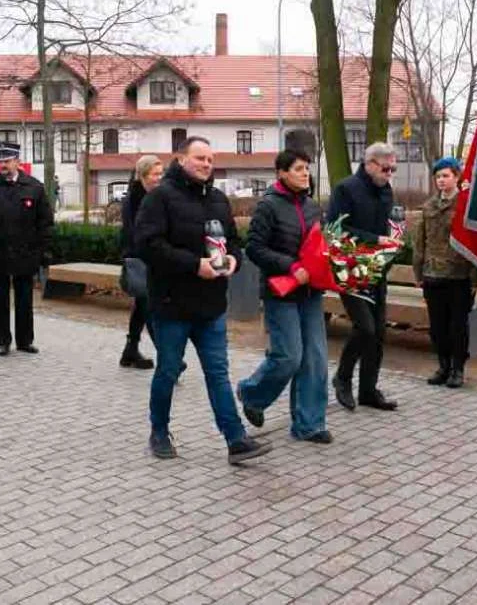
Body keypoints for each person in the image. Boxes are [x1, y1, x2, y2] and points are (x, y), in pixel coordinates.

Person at [135, 136, 271, 464]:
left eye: (210, 159)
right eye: (200, 158)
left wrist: (234, 260)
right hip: (172, 305)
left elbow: (233, 242)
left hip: (211, 306)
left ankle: (235, 439)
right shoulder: (160, 198)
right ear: (181, 159)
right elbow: (148, 245)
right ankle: (159, 431)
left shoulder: (219, 200)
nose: (206, 164)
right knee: (167, 371)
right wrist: (194, 265)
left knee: (218, 373)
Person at [236, 148, 332, 443]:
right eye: (299, 168)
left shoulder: (313, 207)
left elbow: (321, 244)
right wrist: (290, 266)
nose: (305, 173)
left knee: (315, 358)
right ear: (282, 173)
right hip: (281, 293)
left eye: (307, 168)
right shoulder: (268, 206)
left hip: (311, 292)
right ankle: (251, 393)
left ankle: (309, 424)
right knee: (289, 356)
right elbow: (254, 248)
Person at [326, 142, 401, 412]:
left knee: (378, 332)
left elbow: (387, 226)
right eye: (385, 168)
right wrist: (374, 239)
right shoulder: (346, 189)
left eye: (393, 169)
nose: (389, 174)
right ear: (369, 164)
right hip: (350, 268)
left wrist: (393, 239)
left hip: (376, 269)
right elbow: (335, 229)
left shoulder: (386, 191)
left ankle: (368, 390)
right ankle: (342, 378)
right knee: (365, 328)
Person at [0, 141, 53, 356]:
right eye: (0, 160)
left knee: (24, 298)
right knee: (0, 298)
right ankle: (3, 341)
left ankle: (25, 340)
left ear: (18, 162)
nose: (3, 165)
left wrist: (44, 252)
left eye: (8, 161)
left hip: (25, 252)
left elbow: (45, 222)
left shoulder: (34, 187)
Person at [414, 157, 477, 389]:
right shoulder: (429, 206)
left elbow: (476, 243)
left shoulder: (465, 206)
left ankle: (458, 368)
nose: (441, 180)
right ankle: (443, 366)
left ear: (457, 177)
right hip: (433, 274)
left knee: (458, 326)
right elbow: (420, 241)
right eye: (438, 176)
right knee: (437, 326)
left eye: (446, 176)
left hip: (459, 275)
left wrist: (476, 277)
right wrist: (418, 271)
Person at [119, 155, 164, 369]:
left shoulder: (153, 196)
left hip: (151, 259)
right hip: (139, 259)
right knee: (149, 306)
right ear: (143, 176)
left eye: (160, 174)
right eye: (155, 174)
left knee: (142, 305)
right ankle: (168, 355)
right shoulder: (135, 200)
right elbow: (134, 232)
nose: (159, 178)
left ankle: (130, 350)